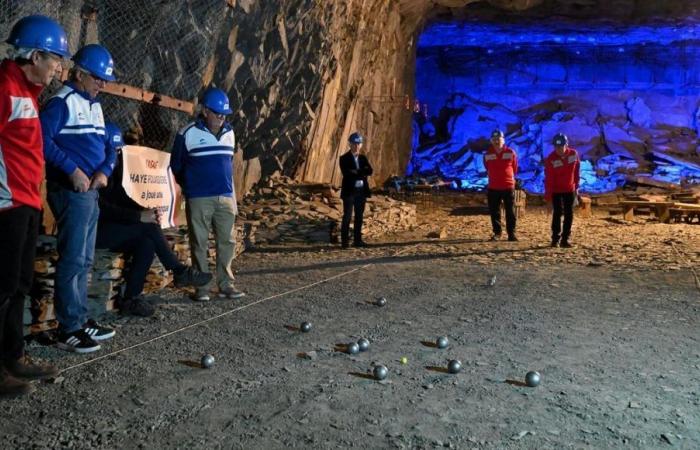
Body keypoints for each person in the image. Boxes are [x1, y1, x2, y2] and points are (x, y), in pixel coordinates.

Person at [0, 15, 70, 397]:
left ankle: (13, 356)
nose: (58, 68)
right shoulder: (4, 87)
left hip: (24, 201)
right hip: (6, 204)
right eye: (55, 59)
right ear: (35, 55)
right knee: (2, 287)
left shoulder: (27, 92)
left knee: (20, 285)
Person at [41, 44, 117, 353]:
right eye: (97, 78)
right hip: (72, 191)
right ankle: (67, 328)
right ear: (81, 74)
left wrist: (104, 170)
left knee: (84, 258)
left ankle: (80, 319)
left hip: (91, 191)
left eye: (104, 80)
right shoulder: (61, 103)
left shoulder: (94, 105)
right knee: (72, 258)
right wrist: (72, 170)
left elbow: (108, 146)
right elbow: (42, 141)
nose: (102, 85)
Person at [96, 123, 213, 316]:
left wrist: (144, 210)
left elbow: (122, 198)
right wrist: (139, 216)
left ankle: (131, 299)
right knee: (148, 229)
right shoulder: (95, 171)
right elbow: (102, 208)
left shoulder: (113, 168)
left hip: (111, 227)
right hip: (94, 230)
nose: (116, 155)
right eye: (113, 150)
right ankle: (178, 271)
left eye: (118, 151)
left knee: (147, 242)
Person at [170, 87, 245, 302]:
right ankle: (201, 288)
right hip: (199, 197)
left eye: (224, 114)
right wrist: (190, 186)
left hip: (225, 196)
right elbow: (176, 165)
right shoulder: (187, 133)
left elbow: (227, 164)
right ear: (204, 110)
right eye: (216, 113)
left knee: (227, 241)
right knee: (199, 242)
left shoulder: (230, 133)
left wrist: (232, 195)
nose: (221, 118)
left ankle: (226, 284)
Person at [544, 133, 580, 248]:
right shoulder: (551, 158)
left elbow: (577, 172)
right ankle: (555, 239)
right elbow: (548, 178)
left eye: (561, 146)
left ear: (566, 145)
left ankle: (565, 239)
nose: (558, 149)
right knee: (557, 214)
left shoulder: (573, 154)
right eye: (556, 147)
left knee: (569, 214)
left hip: (569, 189)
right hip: (556, 191)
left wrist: (576, 188)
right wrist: (548, 198)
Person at [339, 132, 373, 248]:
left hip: (361, 192)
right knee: (347, 216)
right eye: (354, 143)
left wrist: (357, 172)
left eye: (359, 143)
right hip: (349, 192)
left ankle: (357, 241)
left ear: (361, 145)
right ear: (350, 144)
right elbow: (347, 173)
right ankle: (345, 243)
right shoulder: (344, 158)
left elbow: (370, 171)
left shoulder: (363, 158)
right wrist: (361, 172)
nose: (357, 146)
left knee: (359, 216)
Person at [484, 129, 519, 241]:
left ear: (503, 140)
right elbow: (487, 167)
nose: (496, 141)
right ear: (491, 141)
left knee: (510, 211)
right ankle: (497, 233)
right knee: (495, 212)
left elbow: (515, 167)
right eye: (494, 139)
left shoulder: (510, 152)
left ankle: (511, 234)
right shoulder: (487, 154)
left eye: (498, 139)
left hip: (508, 186)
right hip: (493, 187)